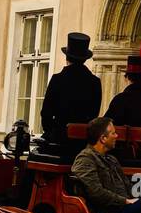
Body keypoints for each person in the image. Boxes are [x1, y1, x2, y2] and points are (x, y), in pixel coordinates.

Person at [71, 116, 141, 213]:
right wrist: (126, 201)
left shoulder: (111, 159)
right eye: (113, 133)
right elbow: (96, 193)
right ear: (103, 138)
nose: (116, 136)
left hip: (124, 209)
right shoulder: (85, 159)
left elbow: (127, 186)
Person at [39, 32, 102, 160]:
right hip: (83, 143)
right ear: (84, 59)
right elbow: (94, 114)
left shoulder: (57, 79)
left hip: (59, 141)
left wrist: (52, 133)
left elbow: (46, 113)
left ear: (67, 58)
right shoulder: (95, 82)